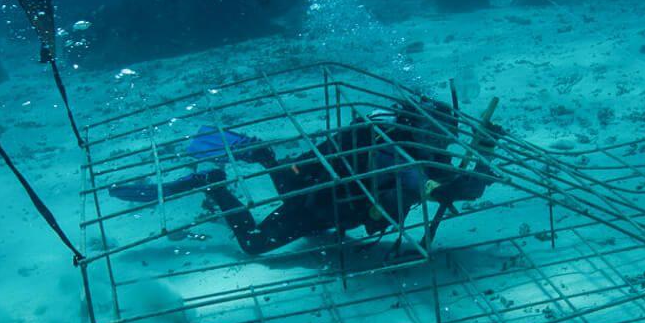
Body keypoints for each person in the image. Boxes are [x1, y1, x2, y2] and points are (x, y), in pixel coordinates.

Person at [112, 99, 494, 256]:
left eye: (449, 132)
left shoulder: (423, 150)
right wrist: (472, 168)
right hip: (317, 202)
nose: (447, 139)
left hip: (306, 177)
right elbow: (435, 186)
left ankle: (262, 154)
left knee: (292, 184)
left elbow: (461, 187)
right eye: (441, 131)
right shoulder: (397, 153)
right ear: (421, 129)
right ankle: (213, 183)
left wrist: (485, 152)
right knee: (254, 244)